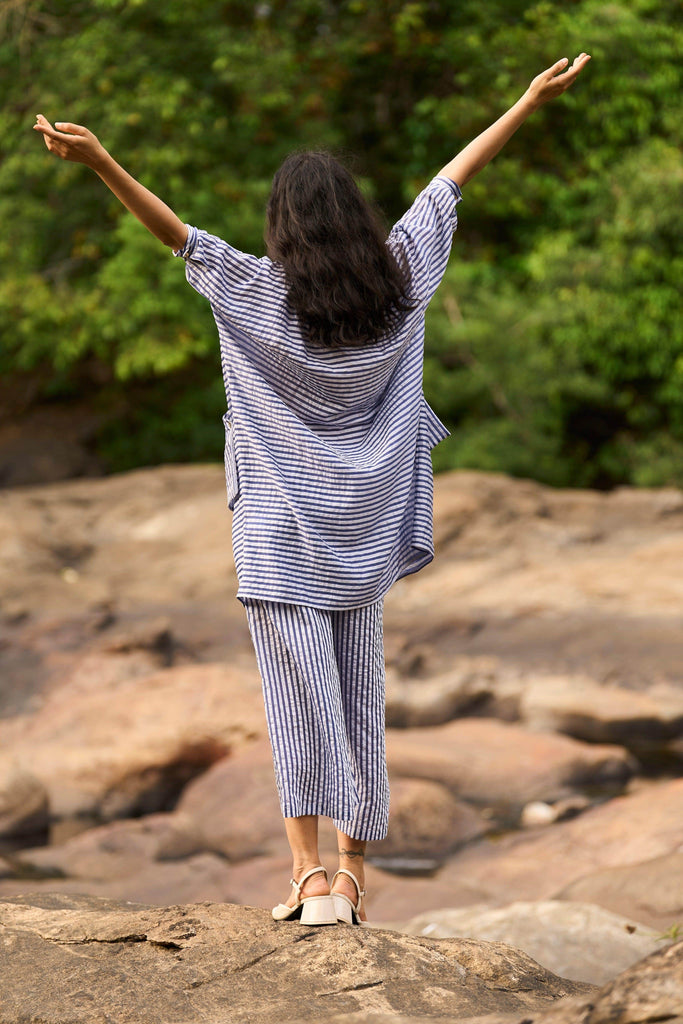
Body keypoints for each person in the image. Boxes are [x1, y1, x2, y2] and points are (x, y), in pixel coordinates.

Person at [34, 52, 591, 927]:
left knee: (295, 700)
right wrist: (525, 98)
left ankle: (307, 880)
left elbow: (174, 234)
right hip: (364, 531)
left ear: (281, 226)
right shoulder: (400, 283)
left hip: (277, 531)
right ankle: (356, 875)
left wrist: (101, 160)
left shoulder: (254, 292)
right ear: (355, 219)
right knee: (358, 692)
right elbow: (451, 179)